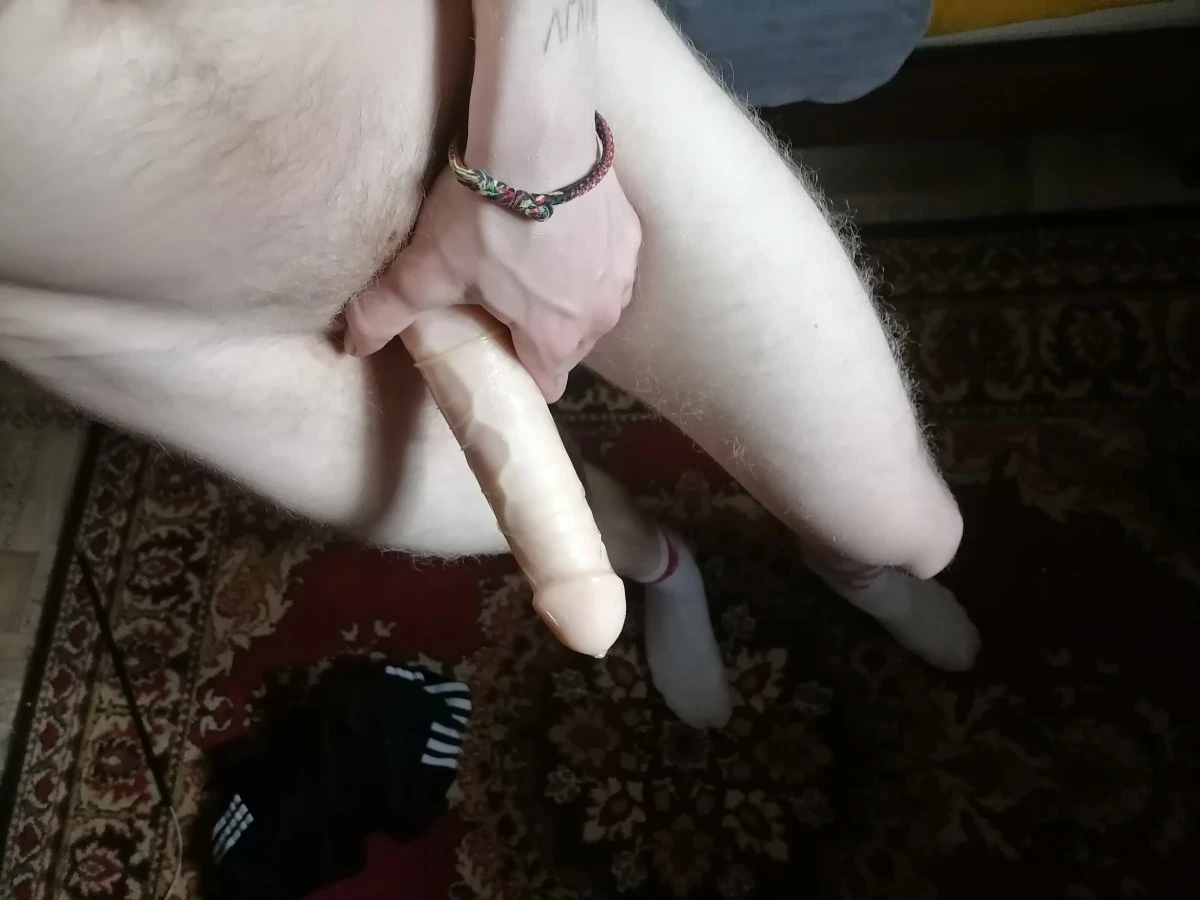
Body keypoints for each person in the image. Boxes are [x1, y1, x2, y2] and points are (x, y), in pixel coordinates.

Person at [0, 0, 978, 729]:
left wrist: (538, 154)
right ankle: (666, 569)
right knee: (568, 548)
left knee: (903, 526)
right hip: (175, 319)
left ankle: (856, 573)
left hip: (509, 86)